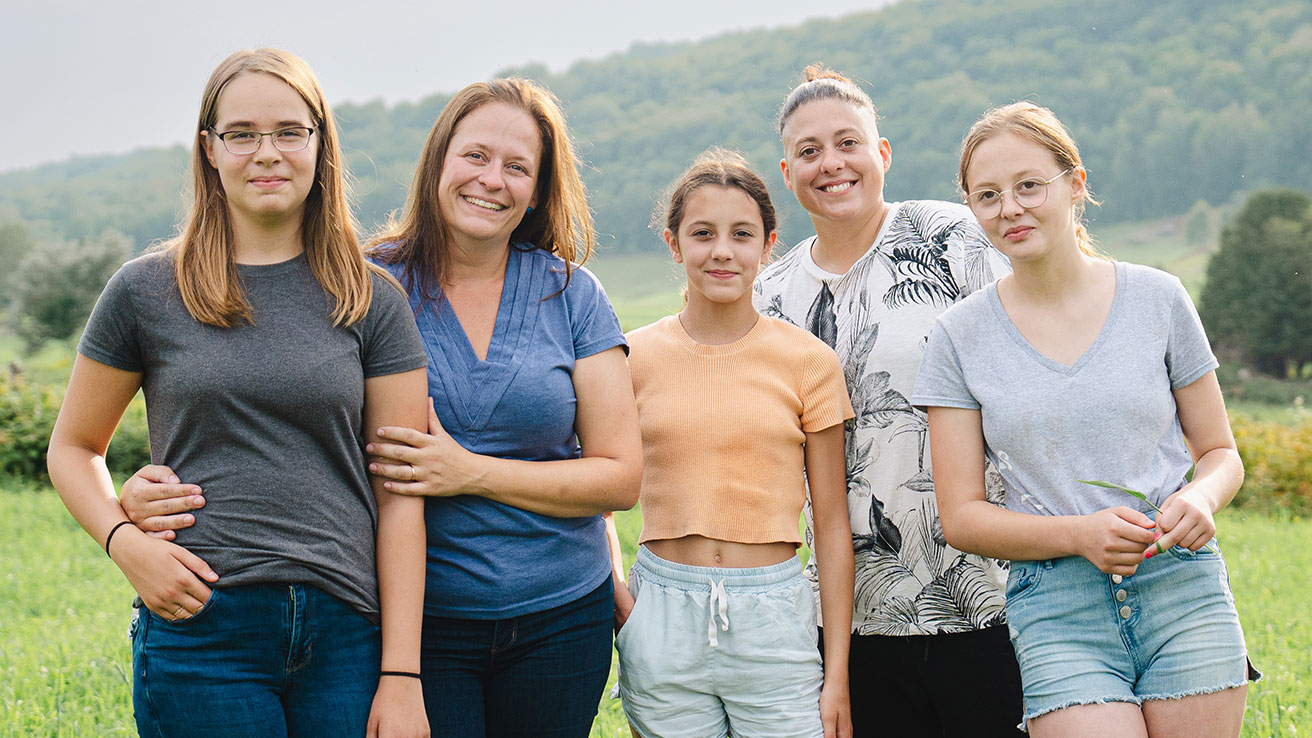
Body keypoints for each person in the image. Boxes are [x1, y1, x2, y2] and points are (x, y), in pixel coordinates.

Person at [47, 48, 430, 738]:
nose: (268, 153)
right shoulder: (144, 291)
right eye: (242, 134)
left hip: (345, 633)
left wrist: (403, 674)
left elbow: (402, 495)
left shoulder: (374, 301)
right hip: (201, 625)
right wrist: (125, 543)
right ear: (209, 149)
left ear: (321, 143)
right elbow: (74, 448)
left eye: (289, 131)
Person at [913, 101, 1253, 737]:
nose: (1009, 208)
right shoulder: (957, 338)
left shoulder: (1160, 299)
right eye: (987, 195)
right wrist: (1079, 535)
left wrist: (1202, 499)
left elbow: (1220, 452)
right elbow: (961, 517)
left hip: (1182, 588)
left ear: (1076, 184)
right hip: (1058, 609)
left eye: (1029, 186)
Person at [360, 78, 642, 737]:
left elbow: (619, 478)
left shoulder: (572, 295)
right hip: (419, 625)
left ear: (540, 190)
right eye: (476, 156)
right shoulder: (370, 285)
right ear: (439, 161)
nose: (493, 179)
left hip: (562, 620)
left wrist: (469, 472)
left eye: (519, 167)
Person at [752, 65, 1021, 737]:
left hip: (991, 599)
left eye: (848, 142)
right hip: (847, 622)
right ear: (787, 173)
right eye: (809, 152)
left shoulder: (949, 238)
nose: (831, 164)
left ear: (883, 153)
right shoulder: (769, 295)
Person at [613, 148, 855, 738]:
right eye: (702, 233)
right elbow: (590, 495)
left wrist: (839, 676)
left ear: (768, 245)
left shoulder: (809, 362)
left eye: (741, 234)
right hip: (661, 614)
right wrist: (627, 609)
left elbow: (831, 522)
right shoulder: (627, 357)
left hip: (774, 617)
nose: (722, 250)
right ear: (674, 244)